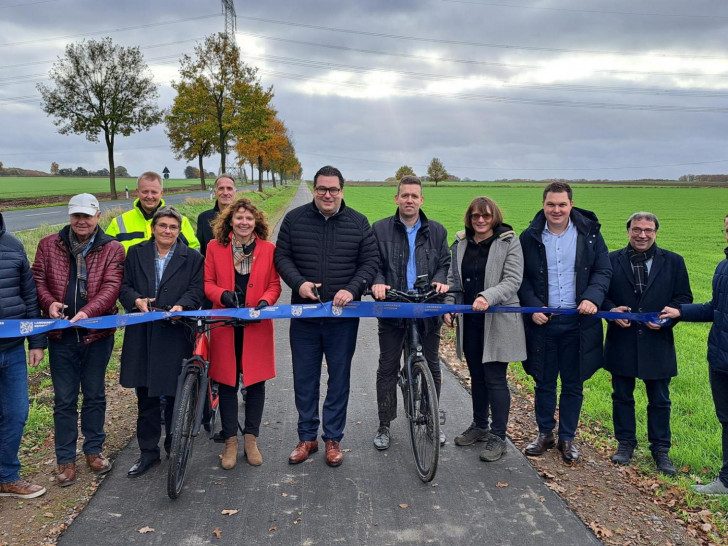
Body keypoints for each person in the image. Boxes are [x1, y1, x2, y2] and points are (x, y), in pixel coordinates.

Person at [274, 165, 378, 467]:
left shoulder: (359, 223)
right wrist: (299, 283)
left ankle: (333, 438)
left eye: (333, 189)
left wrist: (353, 288)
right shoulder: (294, 220)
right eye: (322, 189)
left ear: (342, 191)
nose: (327, 194)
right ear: (315, 189)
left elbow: (369, 261)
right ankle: (307, 437)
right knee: (305, 378)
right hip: (304, 315)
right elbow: (282, 256)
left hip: (342, 318)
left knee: (339, 378)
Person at [32, 194, 125, 487]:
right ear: (70, 217)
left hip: (96, 334)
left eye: (87, 216)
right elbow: (38, 281)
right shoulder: (49, 244)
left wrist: (88, 311)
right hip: (61, 335)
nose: (82, 221)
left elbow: (112, 286)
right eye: (77, 216)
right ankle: (65, 459)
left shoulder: (113, 248)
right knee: (64, 399)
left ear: (98, 216)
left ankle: (94, 450)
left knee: (95, 394)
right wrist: (49, 304)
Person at [519, 182, 611, 463]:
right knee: (543, 381)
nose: (556, 210)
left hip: (579, 323)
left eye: (561, 204)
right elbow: (520, 278)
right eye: (550, 204)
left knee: (573, 383)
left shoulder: (590, 235)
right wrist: (532, 307)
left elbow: (603, 270)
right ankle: (545, 433)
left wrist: (593, 298)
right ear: (543, 205)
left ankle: (568, 438)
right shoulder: (530, 236)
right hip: (543, 323)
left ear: (571, 204)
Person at [603, 212, 692, 476]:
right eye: (637, 229)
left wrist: (668, 318)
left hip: (658, 340)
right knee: (621, 396)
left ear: (656, 232)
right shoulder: (610, 260)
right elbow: (602, 295)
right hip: (623, 339)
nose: (642, 235)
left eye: (648, 230)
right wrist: (611, 312)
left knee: (660, 399)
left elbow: (684, 296)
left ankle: (660, 449)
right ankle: (625, 443)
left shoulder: (674, 261)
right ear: (627, 230)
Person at [118, 206, 204, 478]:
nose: (168, 231)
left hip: (175, 332)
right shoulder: (136, 253)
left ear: (179, 231)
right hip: (143, 332)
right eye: (163, 226)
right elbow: (124, 285)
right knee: (146, 395)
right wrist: (135, 300)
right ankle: (148, 452)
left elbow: (197, 289)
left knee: (174, 393)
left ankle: (174, 447)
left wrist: (182, 305)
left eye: (173, 227)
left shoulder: (192, 257)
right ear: (153, 228)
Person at [444, 197, 527, 463]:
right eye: (475, 216)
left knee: (495, 378)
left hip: (498, 320)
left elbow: (513, 280)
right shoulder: (459, 243)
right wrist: (449, 306)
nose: (480, 221)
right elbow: (451, 280)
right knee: (477, 376)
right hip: (471, 321)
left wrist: (487, 296)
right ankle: (480, 425)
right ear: (469, 218)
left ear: (495, 218)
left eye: (486, 216)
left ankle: (498, 437)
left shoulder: (508, 241)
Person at [370, 175, 450, 450]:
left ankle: (430, 418)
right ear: (397, 198)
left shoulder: (437, 231)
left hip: (427, 307)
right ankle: (384, 423)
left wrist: (440, 278)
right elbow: (373, 262)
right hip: (393, 305)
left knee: (432, 365)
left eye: (414, 196)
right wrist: (378, 281)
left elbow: (445, 262)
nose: (409, 200)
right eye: (405, 195)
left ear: (421, 200)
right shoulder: (380, 229)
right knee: (388, 368)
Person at [204, 198, 281, 469]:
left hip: (256, 326)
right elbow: (208, 283)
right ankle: (230, 442)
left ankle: (251, 439)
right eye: (239, 218)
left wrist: (265, 302)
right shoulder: (215, 247)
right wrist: (222, 295)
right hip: (225, 325)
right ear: (230, 221)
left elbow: (274, 284)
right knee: (226, 383)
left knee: (255, 383)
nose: (244, 222)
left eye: (249, 218)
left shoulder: (268, 249)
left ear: (256, 221)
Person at [661, 214, 728, 493]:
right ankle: (726, 480)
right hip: (721, 358)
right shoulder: (724, 266)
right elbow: (716, 308)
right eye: (727, 229)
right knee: (726, 419)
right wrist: (681, 311)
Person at [0, 211, 47, 499]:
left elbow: (29, 296)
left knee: (16, 414)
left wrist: (37, 341)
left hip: (13, 349)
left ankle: (7, 477)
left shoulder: (13, 245)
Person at [106, 171, 199, 253]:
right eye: (145, 192)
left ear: (161, 193)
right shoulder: (118, 222)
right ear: (137, 192)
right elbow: (106, 255)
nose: (149, 196)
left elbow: (194, 251)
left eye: (154, 192)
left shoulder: (180, 221)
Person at [197, 174, 237, 257]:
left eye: (229, 188)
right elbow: (202, 250)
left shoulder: (246, 219)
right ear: (215, 193)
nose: (225, 193)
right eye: (221, 188)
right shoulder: (203, 218)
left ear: (235, 193)